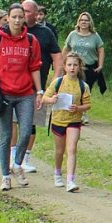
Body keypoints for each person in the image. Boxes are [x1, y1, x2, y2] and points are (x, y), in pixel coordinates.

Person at [0, 3, 44, 191]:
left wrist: (39, 91)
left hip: (25, 94)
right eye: (14, 17)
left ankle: (17, 165)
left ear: (25, 18)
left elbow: (35, 67)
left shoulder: (31, 41)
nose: (17, 20)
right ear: (7, 18)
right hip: (4, 94)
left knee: (26, 132)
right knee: (6, 137)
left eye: (20, 17)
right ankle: (5, 176)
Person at [13, 0, 62, 173]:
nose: (23, 15)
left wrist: (55, 81)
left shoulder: (45, 33)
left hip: (37, 86)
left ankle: (24, 159)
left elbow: (57, 57)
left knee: (31, 124)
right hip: (14, 85)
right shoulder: (13, 30)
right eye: (22, 11)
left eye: (27, 11)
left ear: (35, 14)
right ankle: (13, 158)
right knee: (13, 122)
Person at [42, 51, 92, 192]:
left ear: (79, 67)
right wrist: (52, 100)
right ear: (64, 66)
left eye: (75, 65)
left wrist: (78, 108)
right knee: (59, 150)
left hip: (74, 121)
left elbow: (88, 104)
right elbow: (45, 98)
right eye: (69, 65)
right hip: (58, 120)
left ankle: (70, 180)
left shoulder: (83, 86)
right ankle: (57, 173)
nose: (72, 68)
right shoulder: (58, 82)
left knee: (71, 149)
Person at [66, 12, 108, 95]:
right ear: (78, 22)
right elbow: (66, 48)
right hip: (75, 66)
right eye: (81, 20)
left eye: (86, 20)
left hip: (89, 67)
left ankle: (83, 103)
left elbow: (101, 50)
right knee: (73, 89)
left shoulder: (95, 36)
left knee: (85, 91)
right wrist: (63, 63)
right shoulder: (72, 34)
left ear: (90, 22)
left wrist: (100, 65)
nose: (83, 22)